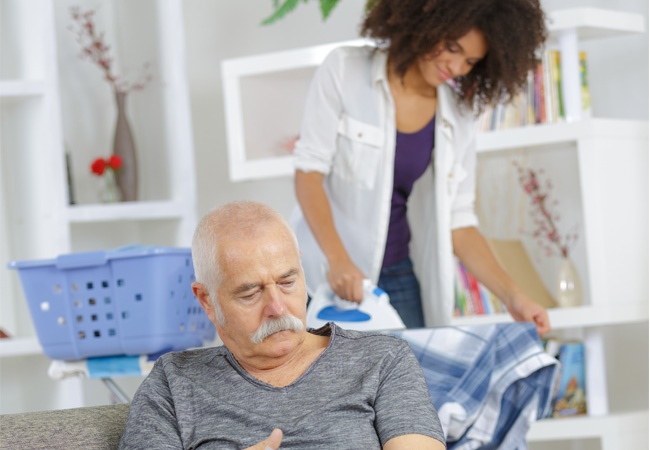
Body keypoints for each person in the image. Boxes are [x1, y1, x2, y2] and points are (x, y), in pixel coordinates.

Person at [291, 0, 551, 334]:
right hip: (322, 271)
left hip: (397, 270)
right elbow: (309, 173)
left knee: (416, 380)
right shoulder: (345, 70)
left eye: (470, 61)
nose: (456, 67)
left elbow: (460, 221)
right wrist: (338, 259)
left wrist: (515, 297)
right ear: (425, 22)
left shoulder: (459, 114)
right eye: (451, 48)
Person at [119, 201, 446, 450]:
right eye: (250, 292)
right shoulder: (173, 382)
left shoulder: (383, 360)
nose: (277, 308)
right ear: (206, 300)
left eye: (287, 282)